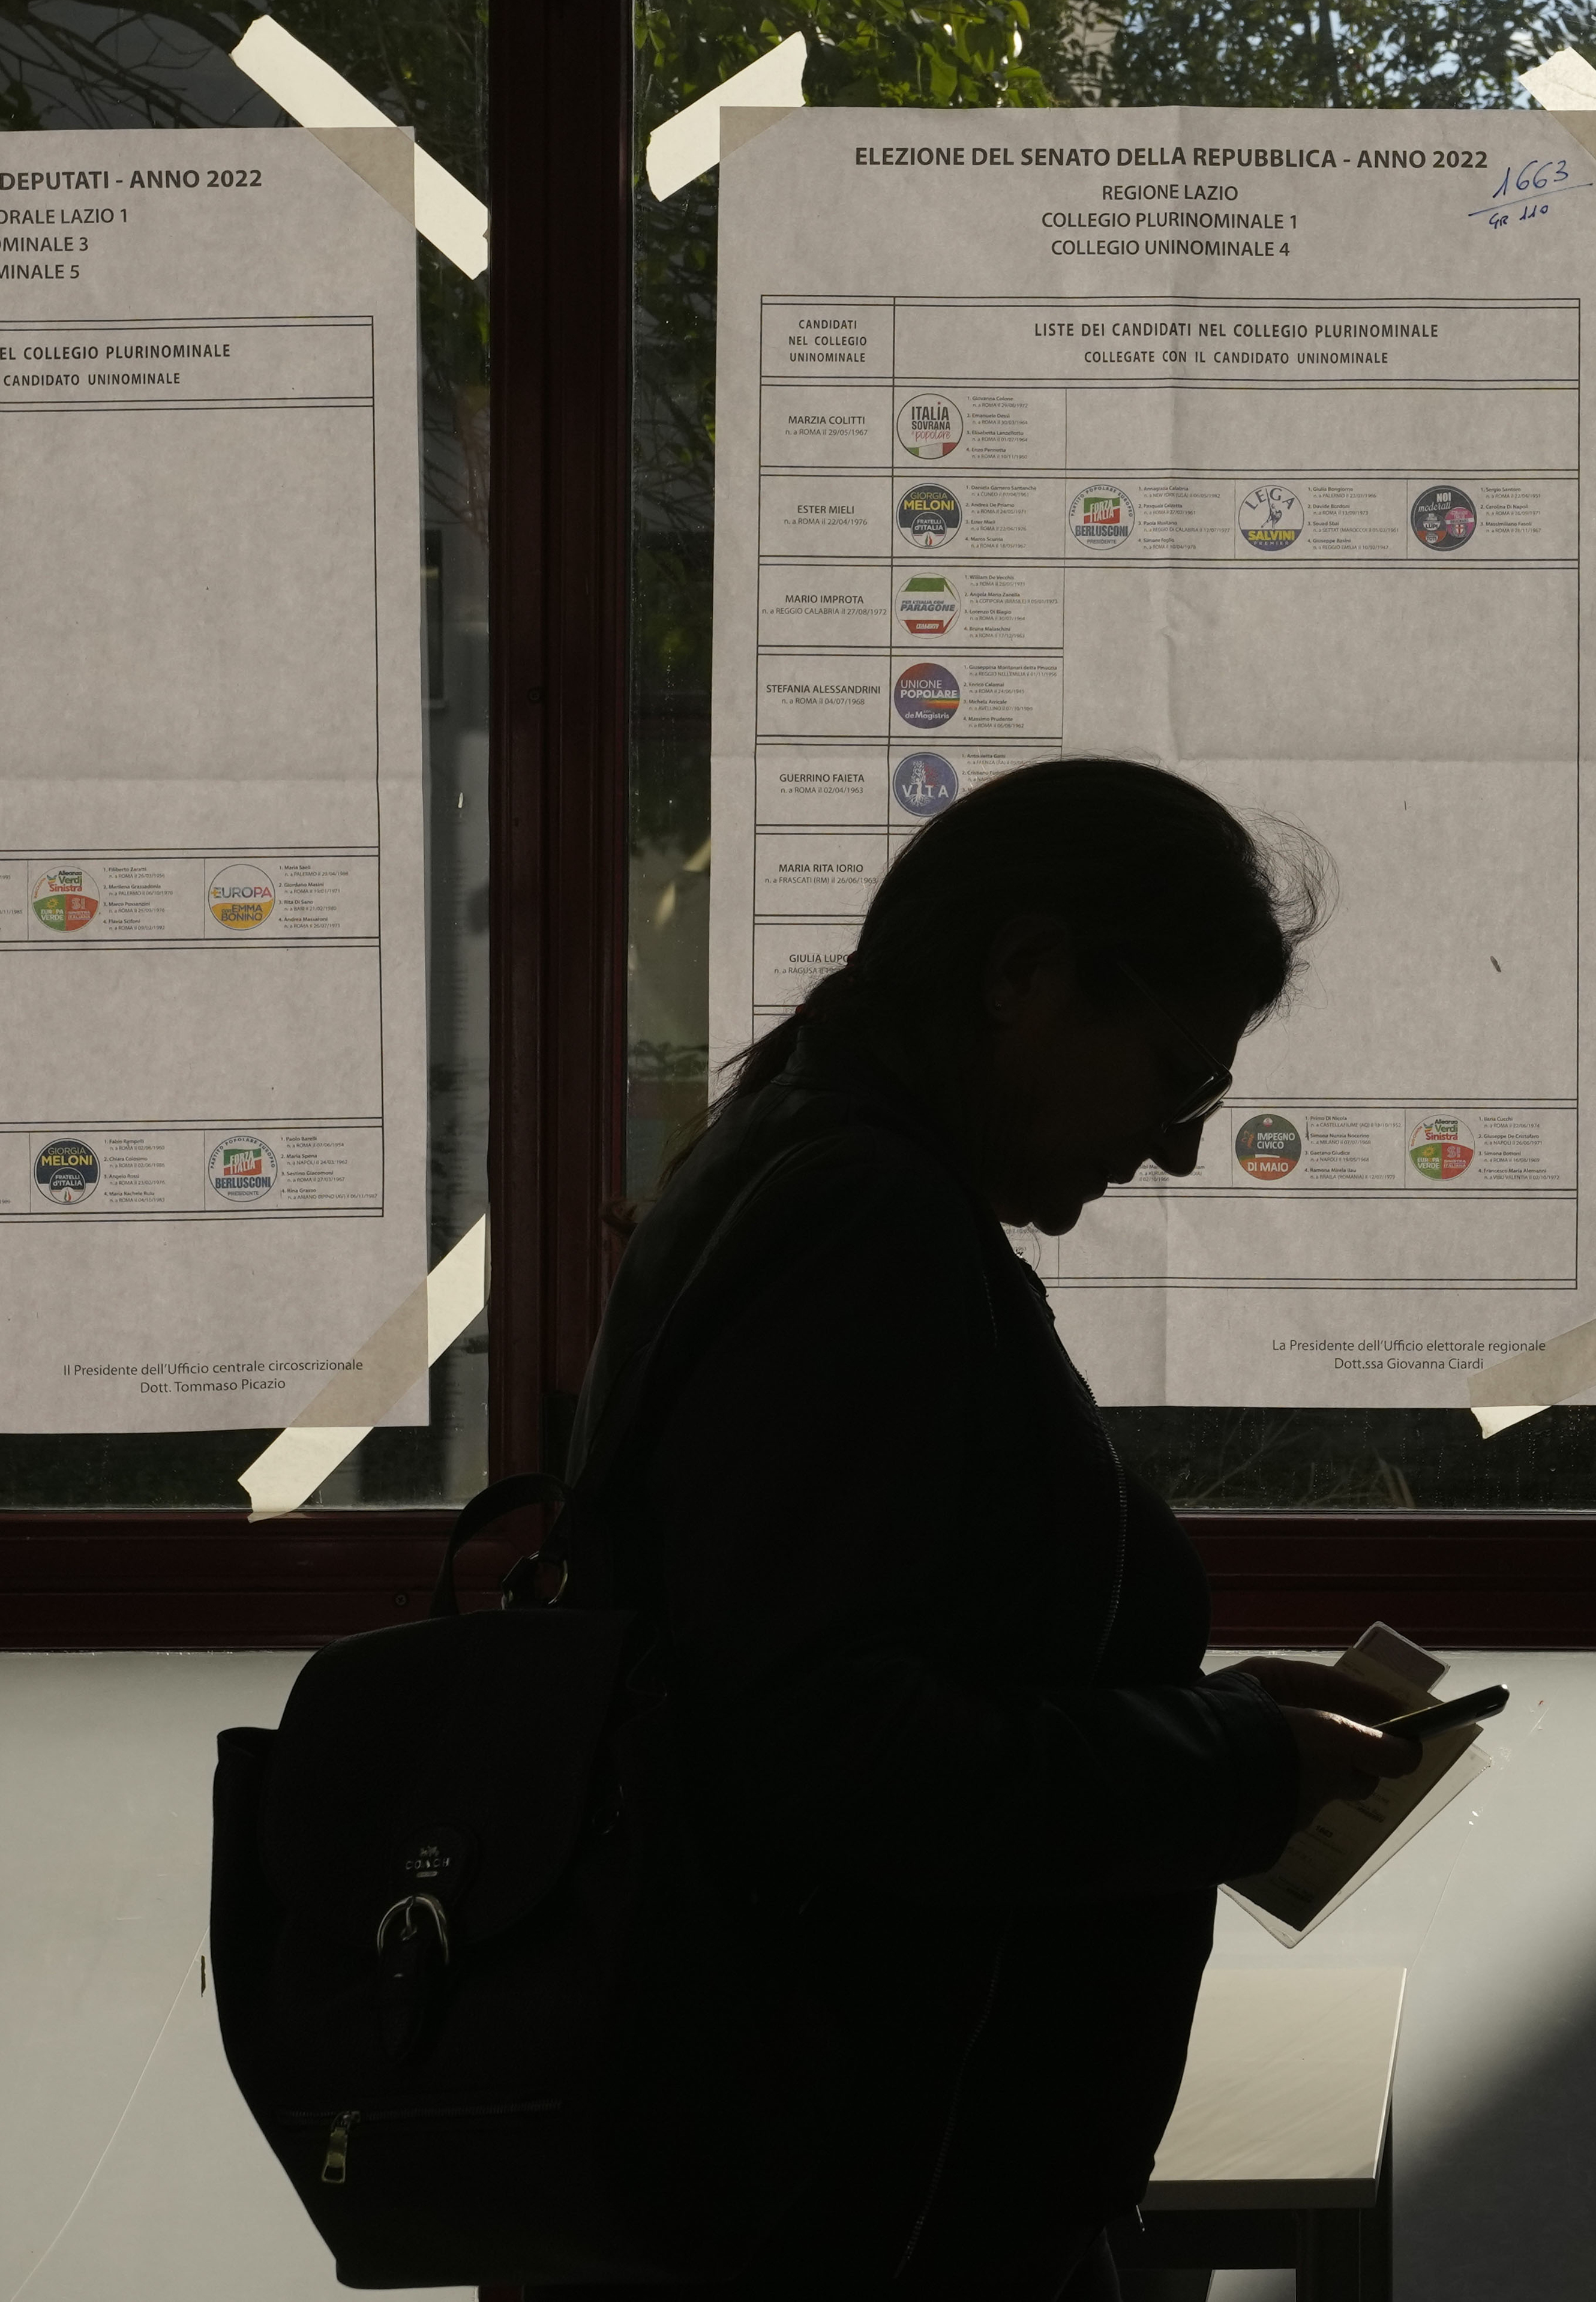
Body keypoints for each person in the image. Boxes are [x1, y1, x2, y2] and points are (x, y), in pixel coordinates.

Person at [541, 758, 1423, 2300]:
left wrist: (1205, 1716)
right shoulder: (864, 1222)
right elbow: (836, 1749)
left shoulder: (797, 1167)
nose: (1175, 1147)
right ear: (1026, 973)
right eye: (1174, 1074)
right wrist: (1225, 1766)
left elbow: (883, 1658)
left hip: (827, 2181)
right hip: (858, 2209)